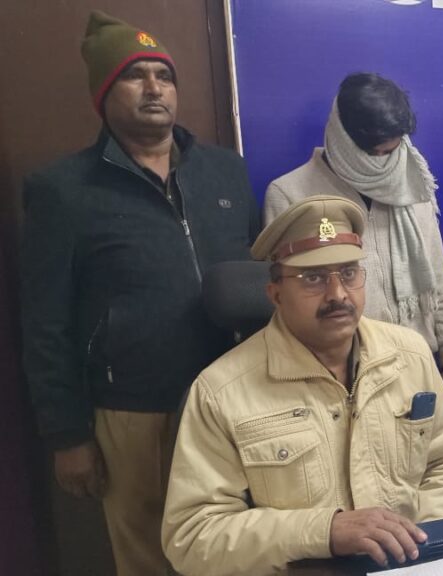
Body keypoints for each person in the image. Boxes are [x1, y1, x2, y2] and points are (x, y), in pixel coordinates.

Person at [19, 11, 257, 575]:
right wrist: (67, 435)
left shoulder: (226, 172)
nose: (154, 88)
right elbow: (45, 322)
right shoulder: (63, 190)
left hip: (236, 397)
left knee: (244, 545)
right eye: (134, 75)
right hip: (133, 411)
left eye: (164, 75)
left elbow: (258, 278)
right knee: (150, 556)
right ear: (103, 94)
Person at [162, 195, 443, 576]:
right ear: (275, 293)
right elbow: (193, 536)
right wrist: (324, 531)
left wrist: (417, 543)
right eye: (313, 278)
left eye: (348, 273)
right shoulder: (220, 392)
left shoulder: (409, 355)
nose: (338, 294)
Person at [264, 73, 443, 381]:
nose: (381, 163)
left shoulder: (411, 184)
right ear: (341, 136)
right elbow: (291, 300)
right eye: (371, 153)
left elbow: (437, 274)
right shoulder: (290, 194)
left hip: (418, 362)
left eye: (390, 151)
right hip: (344, 369)